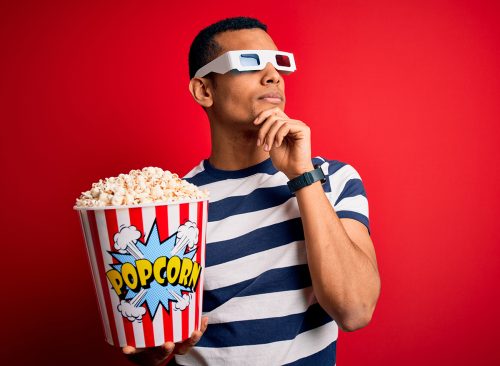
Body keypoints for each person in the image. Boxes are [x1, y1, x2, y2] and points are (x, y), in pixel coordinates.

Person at [122, 16, 380, 366]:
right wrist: (152, 352)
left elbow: (355, 310)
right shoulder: (174, 205)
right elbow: (155, 332)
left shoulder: (333, 179)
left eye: (278, 64)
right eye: (249, 61)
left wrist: (302, 176)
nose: (273, 75)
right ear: (205, 90)